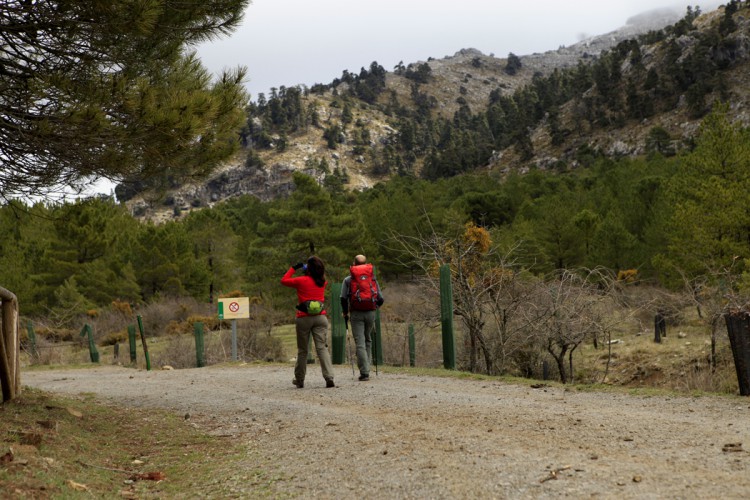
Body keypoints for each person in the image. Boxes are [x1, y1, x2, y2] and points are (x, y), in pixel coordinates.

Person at [281, 256, 335, 389]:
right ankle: (329, 377)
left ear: (308, 269)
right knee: (322, 348)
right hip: (320, 318)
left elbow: (284, 280)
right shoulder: (323, 282)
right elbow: (319, 274)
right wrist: (310, 269)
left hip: (303, 318)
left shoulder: (301, 280)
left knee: (303, 350)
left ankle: (299, 380)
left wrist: (294, 268)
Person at [340, 254, 384, 381]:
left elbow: (343, 298)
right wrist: (374, 307)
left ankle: (364, 372)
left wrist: (345, 312)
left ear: (354, 264)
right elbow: (380, 299)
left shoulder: (348, 280)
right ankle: (367, 367)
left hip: (356, 313)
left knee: (360, 342)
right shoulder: (372, 279)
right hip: (370, 312)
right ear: (366, 264)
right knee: (368, 340)